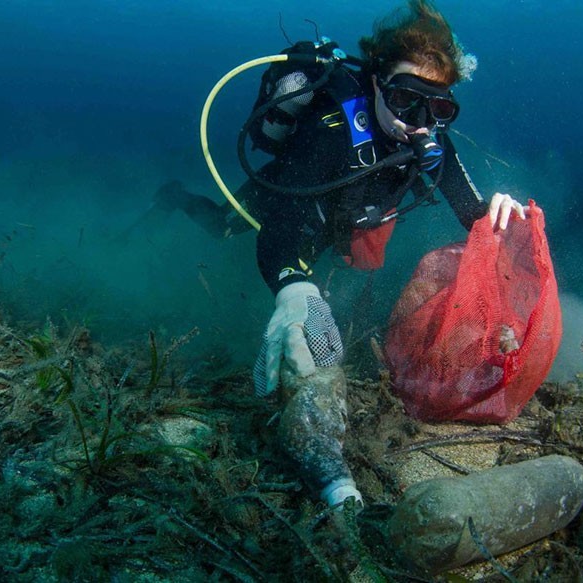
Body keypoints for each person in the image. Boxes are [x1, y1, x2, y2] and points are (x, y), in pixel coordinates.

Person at [155, 0, 527, 508]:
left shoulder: (430, 142)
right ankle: (175, 197)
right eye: (405, 99)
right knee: (223, 228)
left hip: (348, 226)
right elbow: (281, 232)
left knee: (350, 281)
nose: (419, 123)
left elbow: (473, 213)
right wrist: (292, 288)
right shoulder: (328, 130)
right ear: (375, 83)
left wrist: (496, 211)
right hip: (289, 199)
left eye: (437, 108)